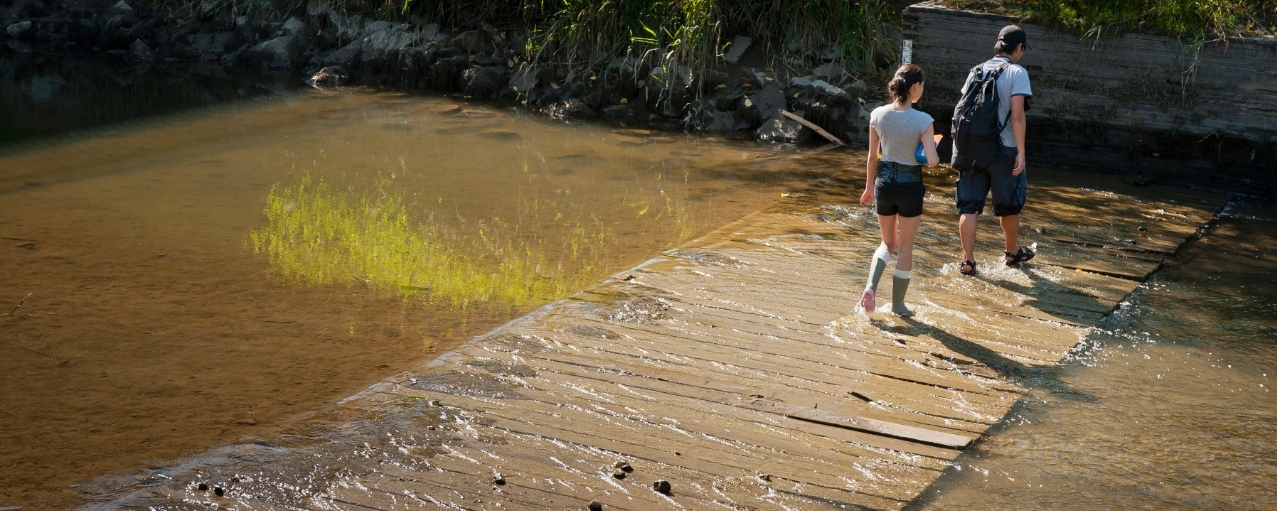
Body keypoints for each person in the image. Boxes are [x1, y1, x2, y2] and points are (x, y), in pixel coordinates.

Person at [859, 63, 939, 317]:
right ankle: (898, 306)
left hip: (884, 185)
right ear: (915, 87)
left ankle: (871, 287)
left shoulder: (878, 115)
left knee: (887, 243)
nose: (922, 91)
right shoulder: (924, 120)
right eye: (922, 86)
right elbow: (933, 161)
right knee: (904, 248)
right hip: (910, 187)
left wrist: (868, 188)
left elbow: (872, 157)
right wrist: (930, 148)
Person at [955, 25, 1035, 276]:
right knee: (1008, 205)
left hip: (972, 150)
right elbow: (1018, 117)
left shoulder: (976, 71)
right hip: (1004, 150)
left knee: (969, 207)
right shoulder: (1017, 72)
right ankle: (1012, 253)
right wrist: (1021, 152)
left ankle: (967, 261)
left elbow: (964, 109)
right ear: (1019, 47)